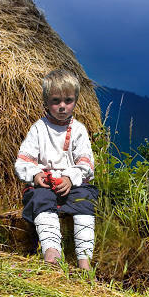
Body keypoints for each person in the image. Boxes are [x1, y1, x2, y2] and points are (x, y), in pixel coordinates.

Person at [15, 69, 97, 270]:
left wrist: (70, 177)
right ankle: (52, 252)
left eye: (68, 100)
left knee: (84, 202)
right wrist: (36, 174)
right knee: (41, 199)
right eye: (56, 101)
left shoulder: (78, 130)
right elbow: (23, 161)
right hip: (46, 184)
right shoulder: (38, 129)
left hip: (73, 184)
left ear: (76, 101)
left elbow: (86, 164)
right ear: (46, 102)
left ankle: (84, 260)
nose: (62, 106)